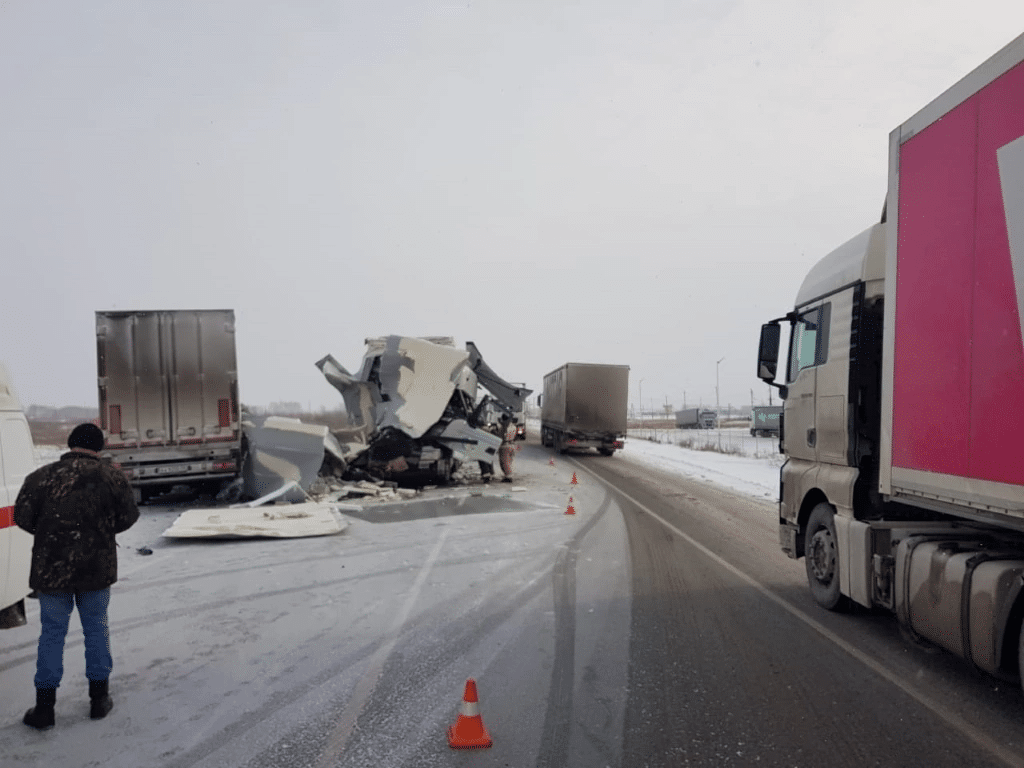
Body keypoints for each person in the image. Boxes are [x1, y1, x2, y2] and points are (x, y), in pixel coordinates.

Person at [14, 423, 139, 730]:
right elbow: (128, 517)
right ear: (99, 448)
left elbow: (23, 517)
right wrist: (99, 531)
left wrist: (53, 534)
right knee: (96, 629)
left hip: (51, 571)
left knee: (52, 634)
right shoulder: (112, 477)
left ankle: (44, 709)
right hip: (96, 570)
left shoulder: (39, 478)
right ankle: (99, 700)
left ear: (70, 445)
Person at [497, 413, 517, 482]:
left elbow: (501, 435)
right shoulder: (513, 426)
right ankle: (507, 475)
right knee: (509, 461)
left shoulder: (503, 427)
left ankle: (508, 477)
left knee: (504, 462)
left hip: (505, 446)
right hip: (512, 445)